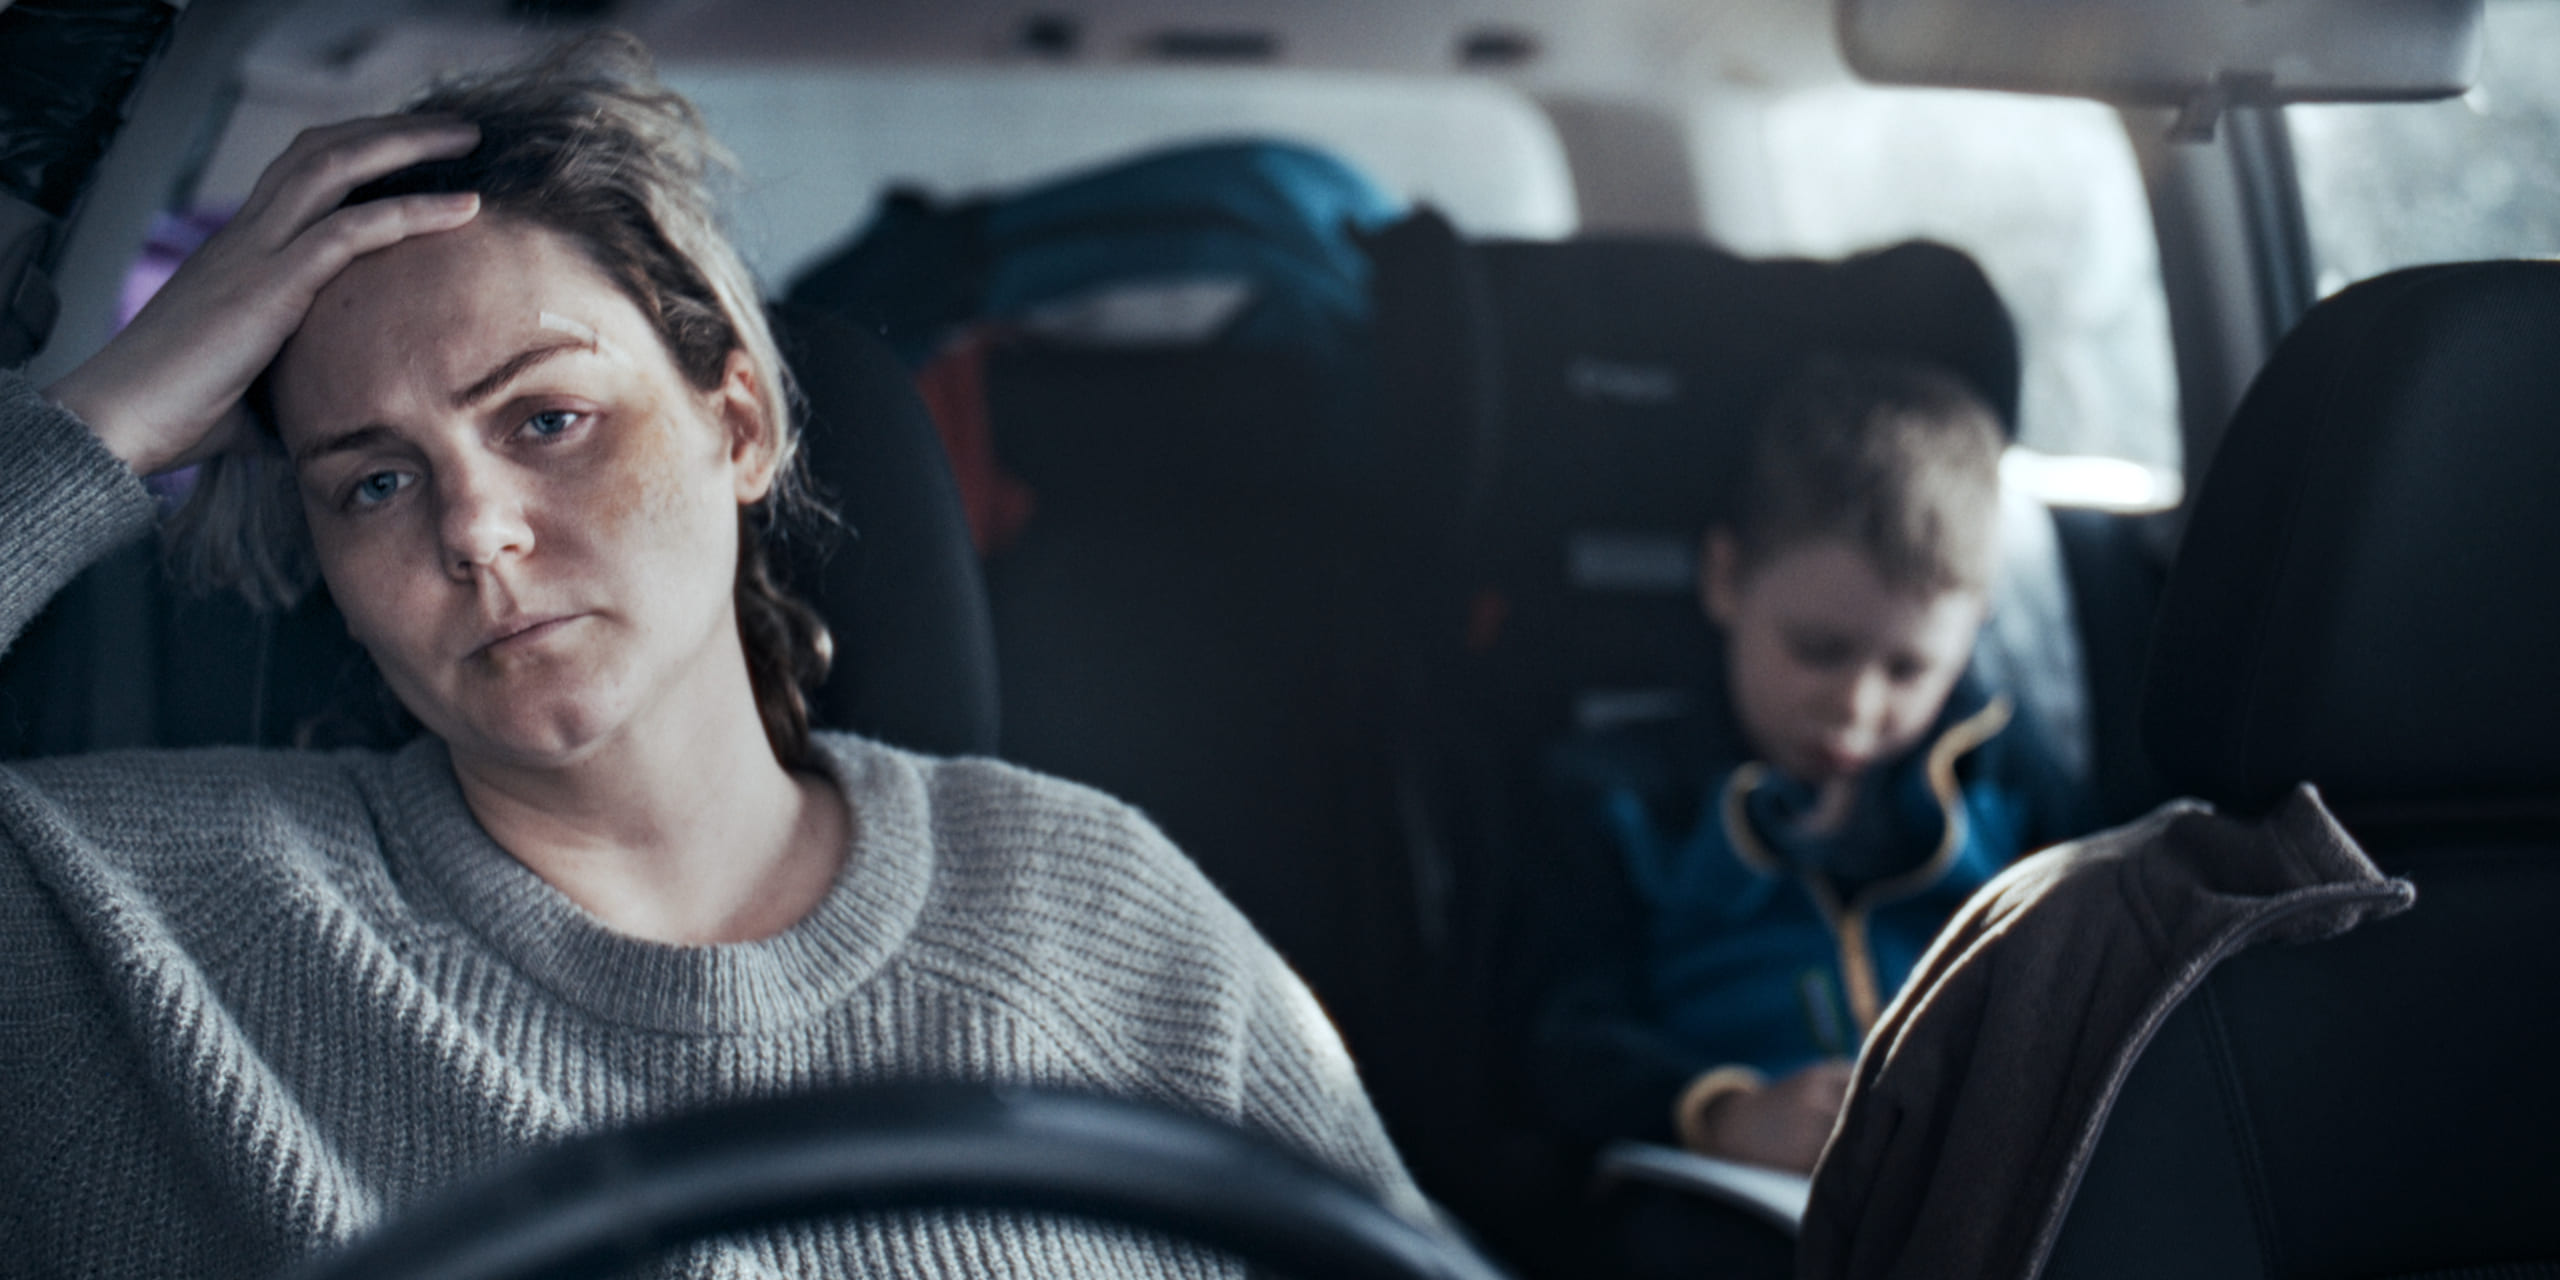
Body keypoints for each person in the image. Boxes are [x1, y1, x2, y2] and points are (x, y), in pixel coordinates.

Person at [2, 33, 1421, 1278]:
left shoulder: (1096, 905)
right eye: (374, 481)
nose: (477, 529)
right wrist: (104, 419)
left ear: (737, 425)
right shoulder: (143, 925)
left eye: (547, 419)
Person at [1530, 354, 2091, 1195]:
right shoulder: (1621, 798)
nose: (1857, 709)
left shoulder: (1999, 772)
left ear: (1973, 627)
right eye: (1818, 651)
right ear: (1725, 579)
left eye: (1908, 669)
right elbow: (1561, 1033)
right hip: (1728, 1191)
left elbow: (2096, 966)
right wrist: (1722, 1114)